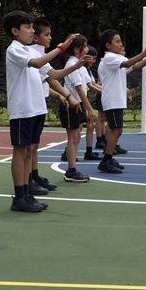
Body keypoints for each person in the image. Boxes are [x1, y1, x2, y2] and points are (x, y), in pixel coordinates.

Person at [3, 12, 87, 211]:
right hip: (22, 109)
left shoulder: (32, 52)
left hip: (34, 108)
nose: (32, 31)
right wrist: (61, 48)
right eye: (27, 27)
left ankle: (26, 193)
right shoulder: (15, 50)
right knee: (20, 152)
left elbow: (55, 74)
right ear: (15, 31)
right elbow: (37, 64)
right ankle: (19, 196)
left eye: (33, 27)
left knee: (28, 152)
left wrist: (78, 64)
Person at [96, 29, 146, 174]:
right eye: (117, 41)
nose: (120, 44)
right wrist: (145, 53)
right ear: (108, 45)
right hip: (112, 100)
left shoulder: (116, 59)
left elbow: (136, 66)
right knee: (116, 130)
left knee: (117, 130)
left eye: (120, 41)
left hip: (116, 100)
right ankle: (106, 160)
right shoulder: (109, 58)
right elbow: (129, 63)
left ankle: (108, 157)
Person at [59, 35, 95, 183]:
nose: (87, 49)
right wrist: (90, 108)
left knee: (75, 138)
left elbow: (87, 86)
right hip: (70, 105)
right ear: (76, 49)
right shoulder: (71, 64)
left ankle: (72, 167)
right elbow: (79, 89)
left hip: (77, 104)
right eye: (84, 47)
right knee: (72, 138)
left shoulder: (80, 66)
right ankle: (71, 170)